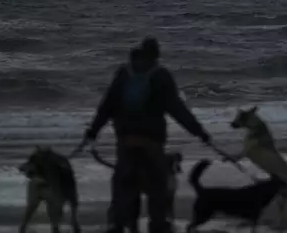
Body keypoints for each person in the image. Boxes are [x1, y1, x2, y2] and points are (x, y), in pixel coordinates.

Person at [81, 37, 212, 233]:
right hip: (151, 142)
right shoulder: (161, 75)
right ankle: (157, 225)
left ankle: (119, 224)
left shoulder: (124, 73)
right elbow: (177, 109)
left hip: (126, 142)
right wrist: (200, 132)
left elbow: (107, 106)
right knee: (157, 188)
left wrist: (92, 132)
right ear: (156, 55)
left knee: (124, 187)